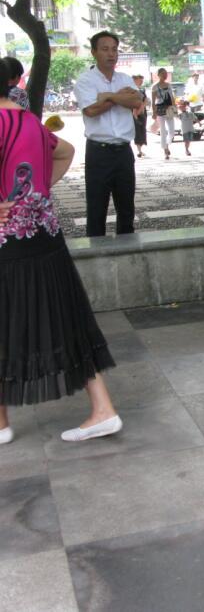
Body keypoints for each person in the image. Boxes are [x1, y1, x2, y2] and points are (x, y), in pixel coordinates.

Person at [0, 59, 123, 445]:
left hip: (6, 241)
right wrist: (35, 195)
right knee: (65, 318)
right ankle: (102, 408)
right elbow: (65, 152)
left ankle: (1, 422)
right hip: (45, 236)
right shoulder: (31, 123)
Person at [74, 31, 143, 237]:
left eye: (114, 49)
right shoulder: (85, 81)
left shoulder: (124, 78)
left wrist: (108, 97)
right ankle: (96, 258)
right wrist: (119, 98)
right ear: (94, 52)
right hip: (98, 152)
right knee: (96, 209)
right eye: (105, 49)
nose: (111, 54)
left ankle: (128, 253)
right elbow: (91, 110)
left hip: (123, 152)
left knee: (126, 209)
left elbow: (137, 102)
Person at [151, 67, 176, 160]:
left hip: (169, 109)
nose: (165, 75)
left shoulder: (168, 85)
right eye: (163, 74)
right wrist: (153, 112)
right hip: (160, 109)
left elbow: (172, 97)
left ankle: (167, 144)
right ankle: (165, 149)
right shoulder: (155, 87)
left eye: (166, 74)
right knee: (163, 130)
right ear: (159, 75)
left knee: (172, 131)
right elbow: (153, 101)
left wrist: (175, 108)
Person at [131, 74, 147, 158]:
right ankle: (139, 150)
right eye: (139, 80)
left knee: (142, 130)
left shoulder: (141, 90)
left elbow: (145, 100)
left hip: (142, 112)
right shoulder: (132, 90)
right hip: (136, 112)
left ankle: (140, 149)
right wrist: (135, 113)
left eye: (142, 81)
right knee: (137, 131)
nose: (141, 82)